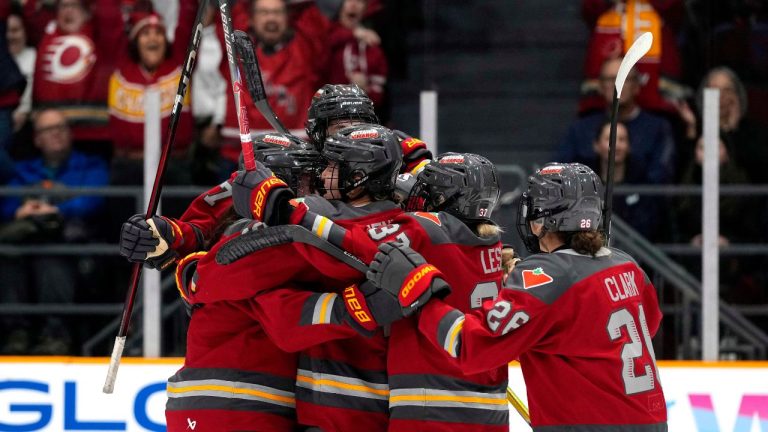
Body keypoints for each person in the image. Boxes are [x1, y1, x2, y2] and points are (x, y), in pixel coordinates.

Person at [362, 163, 668, 431]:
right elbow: (649, 324)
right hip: (651, 421)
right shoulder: (626, 264)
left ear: (541, 221)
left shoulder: (547, 275)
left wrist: (418, 292)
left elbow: (470, 345)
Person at [0, 108, 109, 355]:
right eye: (48, 130)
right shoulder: (22, 169)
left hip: (72, 244)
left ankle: (55, 335)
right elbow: (6, 201)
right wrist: (20, 210)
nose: (56, 134)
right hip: (25, 243)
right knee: (8, 254)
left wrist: (56, 209)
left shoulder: (90, 165)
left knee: (51, 257)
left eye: (61, 127)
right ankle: (16, 333)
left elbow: (94, 199)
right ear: (37, 139)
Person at [215, 0, 333, 163]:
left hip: (293, 156)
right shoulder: (234, 52)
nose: (271, 18)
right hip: (237, 155)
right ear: (251, 18)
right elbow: (229, 17)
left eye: (277, 13)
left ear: (288, 18)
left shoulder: (304, 53)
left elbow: (315, 27)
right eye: (264, 12)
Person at [108, 1, 198, 186]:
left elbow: (189, 19)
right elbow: (107, 19)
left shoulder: (180, 64)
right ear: (134, 41)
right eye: (146, 34)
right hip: (128, 166)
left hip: (174, 166)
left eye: (159, 33)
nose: (153, 39)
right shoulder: (120, 66)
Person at [27, 0, 125, 155]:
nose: (68, 11)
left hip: (92, 135)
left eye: (74, 6)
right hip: (47, 136)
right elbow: (31, 12)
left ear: (88, 10)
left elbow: (110, 14)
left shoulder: (100, 36)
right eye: (64, 6)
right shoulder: (46, 32)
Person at [558, 57, 676, 185]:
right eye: (611, 79)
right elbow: (562, 175)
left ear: (637, 86)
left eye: (624, 79)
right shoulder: (581, 129)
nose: (617, 85)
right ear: (600, 87)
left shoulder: (658, 128)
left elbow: (662, 178)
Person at [590, 120, 663, 239]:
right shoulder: (587, 187)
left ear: (629, 146)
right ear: (596, 145)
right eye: (609, 139)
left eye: (622, 139)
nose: (616, 145)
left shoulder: (642, 185)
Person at [328, 0, 388, 108]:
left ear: (365, 9)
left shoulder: (372, 47)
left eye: (359, 1)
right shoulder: (326, 33)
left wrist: (365, 89)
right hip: (326, 113)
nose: (353, 4)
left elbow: (378, 96)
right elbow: (323, 44)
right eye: (348, 0)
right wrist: (353, 33)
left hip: (359, 117)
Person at [7, 7, 35, 134]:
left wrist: (25, 112)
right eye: (5, 31)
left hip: (31, 123)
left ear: (25, 32)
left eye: (15, 30)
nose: (9, 36)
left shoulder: (37, 58)